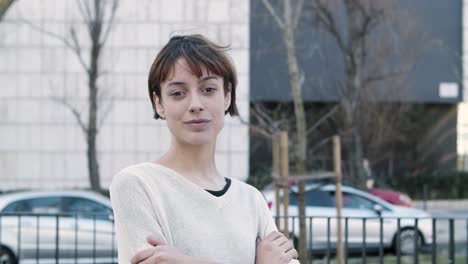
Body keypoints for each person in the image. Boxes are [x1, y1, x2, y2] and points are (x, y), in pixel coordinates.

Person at [110, 35, 299, 264]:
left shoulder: (252, 200)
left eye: (208, 89)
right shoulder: (137, 184)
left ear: (227, 96)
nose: (195, 104)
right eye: (178, 93)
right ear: (159, 103)